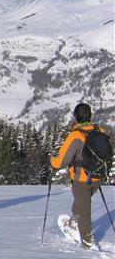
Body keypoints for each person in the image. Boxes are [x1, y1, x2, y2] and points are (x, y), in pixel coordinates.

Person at [50, 103, 106, 248]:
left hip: (82, 178)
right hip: (98, 176)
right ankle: (74, 222)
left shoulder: (76, 135)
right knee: (82, 202)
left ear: (76, 117)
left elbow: (61, 161)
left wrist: (52, 160)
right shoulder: (100, 130)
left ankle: (87, 242)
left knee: (85, 210)